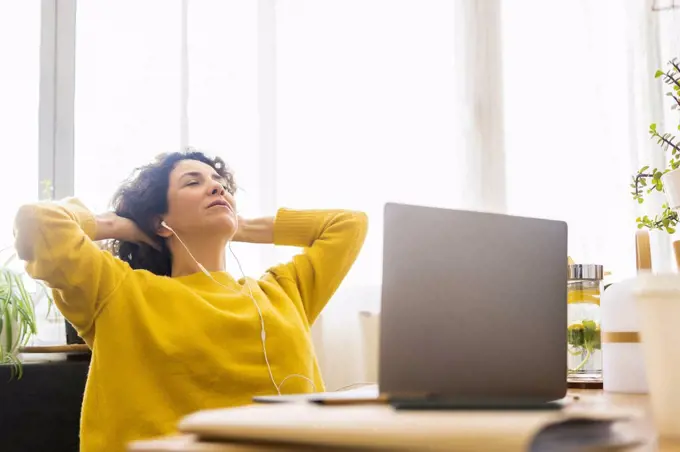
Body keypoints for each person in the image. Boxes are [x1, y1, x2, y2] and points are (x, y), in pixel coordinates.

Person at [13, 150, 368, 452]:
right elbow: (38, 224)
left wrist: (237, 223)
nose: (217, 187)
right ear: (160, 221)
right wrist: (121, 225)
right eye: (193, 182)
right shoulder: (118, 291)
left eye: (221, 185)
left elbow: (349, 225)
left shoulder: (284, 291)